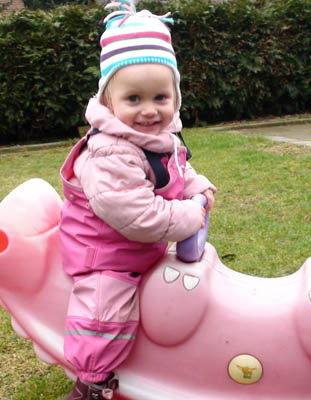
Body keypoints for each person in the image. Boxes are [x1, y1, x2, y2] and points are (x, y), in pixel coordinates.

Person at [58, 2, 216, 398]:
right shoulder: (109, 151)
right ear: (109, 101)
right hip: (103, 254)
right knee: (105, 309)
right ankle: (91, 380)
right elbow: (137, 216)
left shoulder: (157, 138)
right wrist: (189, 215)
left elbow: (176, 169)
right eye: (133, 99)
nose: (149, 110)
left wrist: (198, 187)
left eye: (161, 97)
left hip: (137, 250)